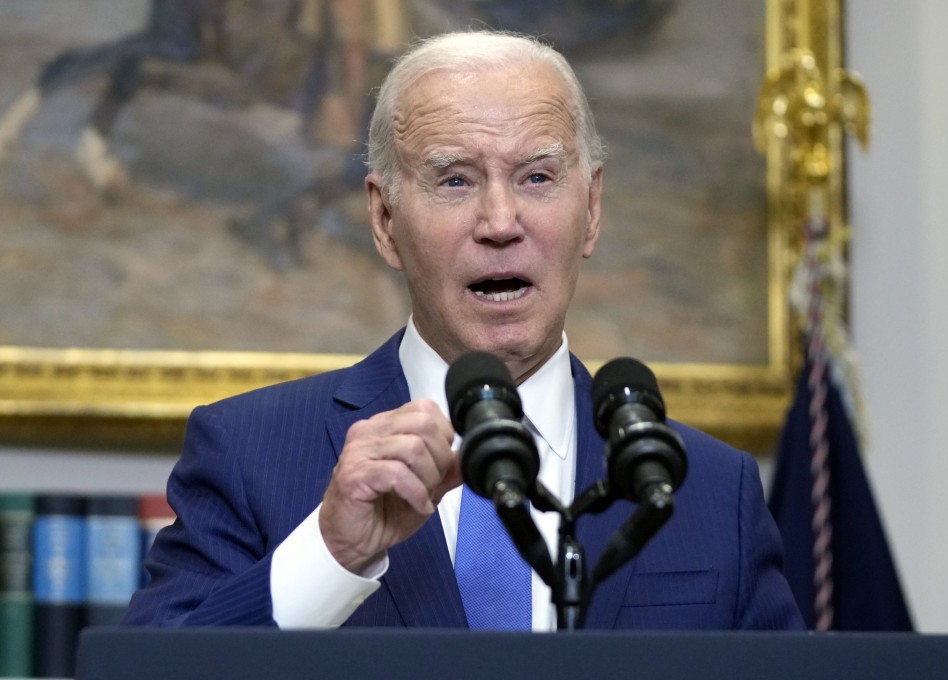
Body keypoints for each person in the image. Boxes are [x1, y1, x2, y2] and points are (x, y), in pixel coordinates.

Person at [123, 30, 804, 631]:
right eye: (454, 181)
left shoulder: (714, 491)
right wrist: (331, 555)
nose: (501, 222)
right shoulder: (250, 455)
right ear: (385, 221)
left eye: (537, 177)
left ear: (591, 209)